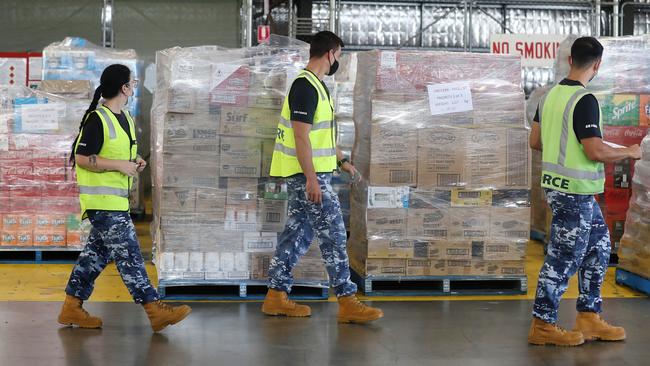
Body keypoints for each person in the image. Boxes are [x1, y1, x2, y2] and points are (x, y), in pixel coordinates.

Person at [58, 64, 191, 332]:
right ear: (124, 87)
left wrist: (135, 161)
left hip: (117, 202)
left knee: (94, 257)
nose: (135, 85)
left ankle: (71, 306)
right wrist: (120, 165)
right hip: (103, 205)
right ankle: (154, 310)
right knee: (130, 255)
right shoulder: (98, 119)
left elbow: (120, 154)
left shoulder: (126, 118)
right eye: (133, 81)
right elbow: (83, 159)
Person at [262, 31, 383, 324]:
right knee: (335, 233)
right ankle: (346, 300)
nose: (337, 61)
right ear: (330, 53)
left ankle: (275, 296)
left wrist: (341, 160)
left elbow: (321, 135)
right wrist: (312, 179)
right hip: (307, 177)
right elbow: (301, 137)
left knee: (297, 234)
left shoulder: (317, 86)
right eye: (338, 56)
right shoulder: (304, 86)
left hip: (313, 174)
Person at [528, 37, 641, 346]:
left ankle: (589, 316)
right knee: (563, 259)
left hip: (563, 190)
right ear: (597, 65)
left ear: (570, 60)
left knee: (599, 247)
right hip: (574, 193)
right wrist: (629, 152)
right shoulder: (584, 100)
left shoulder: (549, 97)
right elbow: (594, 151)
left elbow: (535, 142)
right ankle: (543, 324)